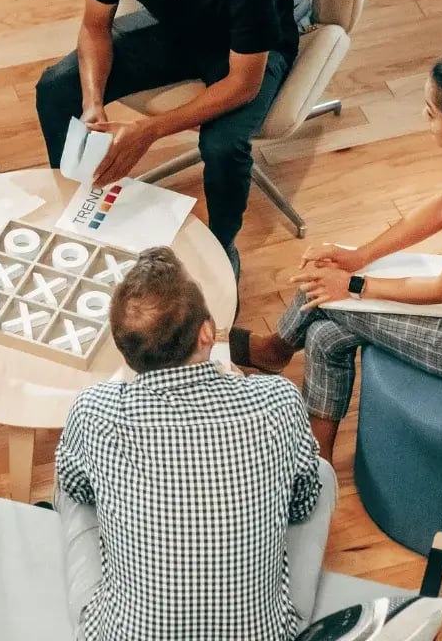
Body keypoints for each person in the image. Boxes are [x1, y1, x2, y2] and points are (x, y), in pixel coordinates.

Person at [229, 52, 442, 463]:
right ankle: (317, 458)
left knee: (322, 293)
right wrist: (359, 256)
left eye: (430, 113)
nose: (422, 117)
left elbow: (441, 287)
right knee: (324, 334)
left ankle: (275, 354)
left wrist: (352, 285)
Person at [35, 0, 300, 277]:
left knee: (223, 146)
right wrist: (92, 104)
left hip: (246, 51)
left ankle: (222, 246)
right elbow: (93, 27)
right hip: (176, 28)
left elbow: (243, 84)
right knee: (56, 87)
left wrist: (150, 131)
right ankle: (76, 204)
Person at [54, 247, 328, 640]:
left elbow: (79, 488)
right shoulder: (277, 401)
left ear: (126, 355)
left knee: (70, 485)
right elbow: (302, 503)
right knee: (320, 472)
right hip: (263, 634)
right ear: (206, 334)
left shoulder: (94, 412)